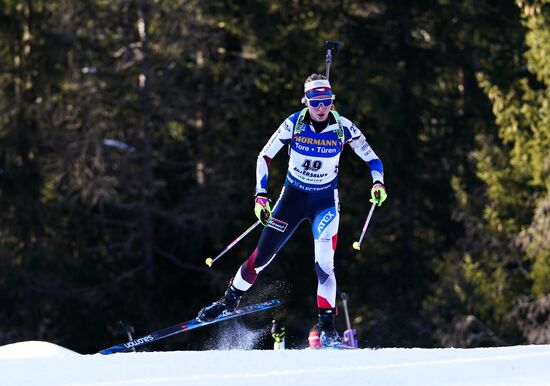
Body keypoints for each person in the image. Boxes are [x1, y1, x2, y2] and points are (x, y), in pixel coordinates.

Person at [198, 74, 387, 348]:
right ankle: (228, 301)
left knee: (324, 266)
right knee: (259, 259)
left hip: (324, 203)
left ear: (332, 102)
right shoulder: (293, 124)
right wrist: (260, 196)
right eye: (315, 101)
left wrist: (378, 181)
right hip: (292, 200)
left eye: (326, 101)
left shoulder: (344, 128)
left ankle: (327, 328)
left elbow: (372, 157)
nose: (321, 107)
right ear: (306, 101)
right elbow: (264, 156)